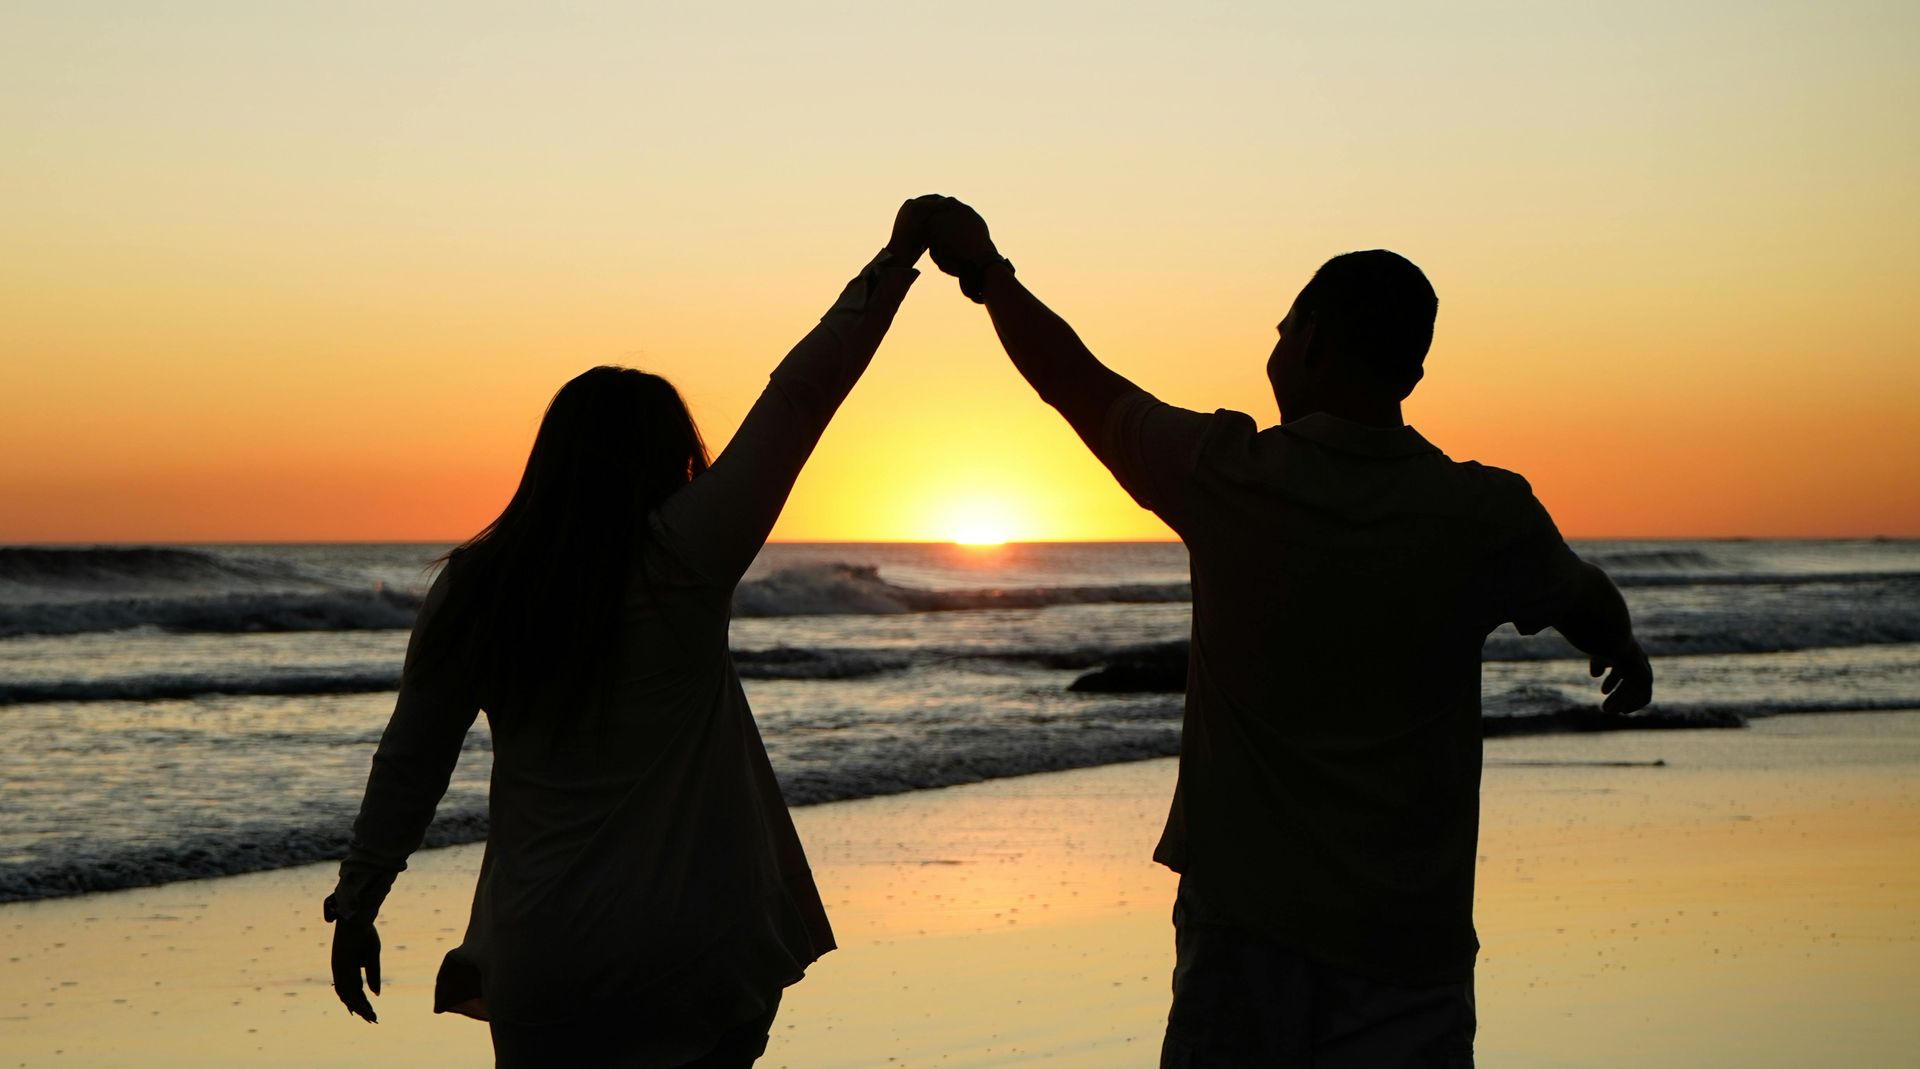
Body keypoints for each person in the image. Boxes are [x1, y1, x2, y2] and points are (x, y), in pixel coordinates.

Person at [924, 199, 1653, 1068]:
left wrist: (987, 273)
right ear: (1410, 375)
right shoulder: (1484, 513)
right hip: (1409, 950)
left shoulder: (1230, 478)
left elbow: (1077, 382)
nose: (1272, 347)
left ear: (1309, 343)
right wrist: (1622, 648)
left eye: (1282, 326)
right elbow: (1585, 598)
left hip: (1246, 940)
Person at [324, 197, 944, 1067]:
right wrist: (894, 260)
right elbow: (799, 398)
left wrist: (360, 898)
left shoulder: (480, 584)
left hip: (547, 958)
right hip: (690, 950)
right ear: (668, 459)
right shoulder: (685, 555)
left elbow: (412, 758)